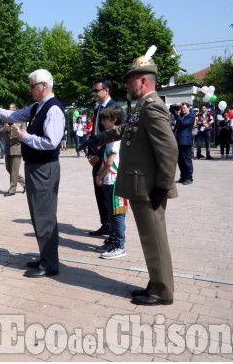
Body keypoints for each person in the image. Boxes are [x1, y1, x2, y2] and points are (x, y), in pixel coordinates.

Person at [82, 48, 177, 306]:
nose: (126, 83)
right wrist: (97, 138)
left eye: (130, 79)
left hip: (150, 187)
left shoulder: (153, 106)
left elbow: (169, 150)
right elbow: (126, 129)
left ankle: (162, 291)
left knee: (154, 239)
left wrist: (163, 185)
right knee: (151, 239)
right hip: (143, 185)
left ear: (143, 80)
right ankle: (156, 282)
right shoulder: (142, 106)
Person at [0, 69, 65, 278]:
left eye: (32, 85)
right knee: (38, 215)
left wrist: (24, 137)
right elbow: (10, 115)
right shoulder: (37, 107)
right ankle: (45, 256)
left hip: (45, 168)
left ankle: (50, 264)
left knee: (45, 215)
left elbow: (51, 142)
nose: (30, 89)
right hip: (35, 167)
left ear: (44, 85)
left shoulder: (53, 109)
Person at [87, 78, 124, 237]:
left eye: (97, 90)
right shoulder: (98, 108)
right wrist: (90, 152)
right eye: (93, 90)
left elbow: (112, 137)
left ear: (106, 90)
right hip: (95, 157)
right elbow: (94, 132)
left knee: (109, 196)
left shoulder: (114, 109)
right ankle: (106, 224)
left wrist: (99, 156)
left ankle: (113, 230)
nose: (94, 93)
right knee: (100, 194)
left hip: (106, 160)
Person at [94, 105, 128, 259]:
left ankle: (119, 244)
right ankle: (113, 240)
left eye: (104, 119)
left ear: (114, 119)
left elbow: (110, 161)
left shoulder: (116, 137)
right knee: (111, 212)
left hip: (115, 180)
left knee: (117, 214)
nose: (101, 122)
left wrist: (101, 175)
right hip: (109, 180)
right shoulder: (110, 135)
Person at [0, 121, 26, 196]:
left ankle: (12, 189)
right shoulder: (6, 122)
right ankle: (25, 184)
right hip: (8, 149)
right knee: (9, 169)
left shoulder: (21, 122)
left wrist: (16, 128)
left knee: (14, 171)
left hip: (17, 149)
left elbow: (24, 134)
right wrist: (4, 128)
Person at [174, 103, 194, 184]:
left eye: (184, 108)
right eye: (182, 108)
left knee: (187, 160)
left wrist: (178, 115)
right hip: (178, 141)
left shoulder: (191, 116)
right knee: (180, 161)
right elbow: (172, 109)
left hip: (185, 142)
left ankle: (189, 178)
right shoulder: (181, 116)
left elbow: (183, 124)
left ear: (189, 108)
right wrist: (176, 105)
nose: (183, 109)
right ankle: (183, 177)